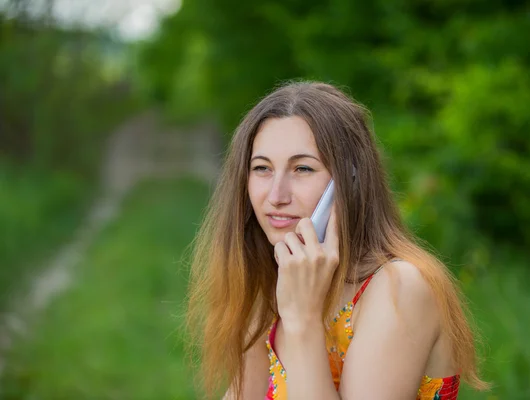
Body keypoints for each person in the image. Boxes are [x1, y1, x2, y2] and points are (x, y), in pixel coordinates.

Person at [187, 81, 487, 399]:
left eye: (302, 168)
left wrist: (303, 320)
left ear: (349, 181)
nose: (275, 196)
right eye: (262, 168)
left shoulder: (400, 288)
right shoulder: (279, 282)